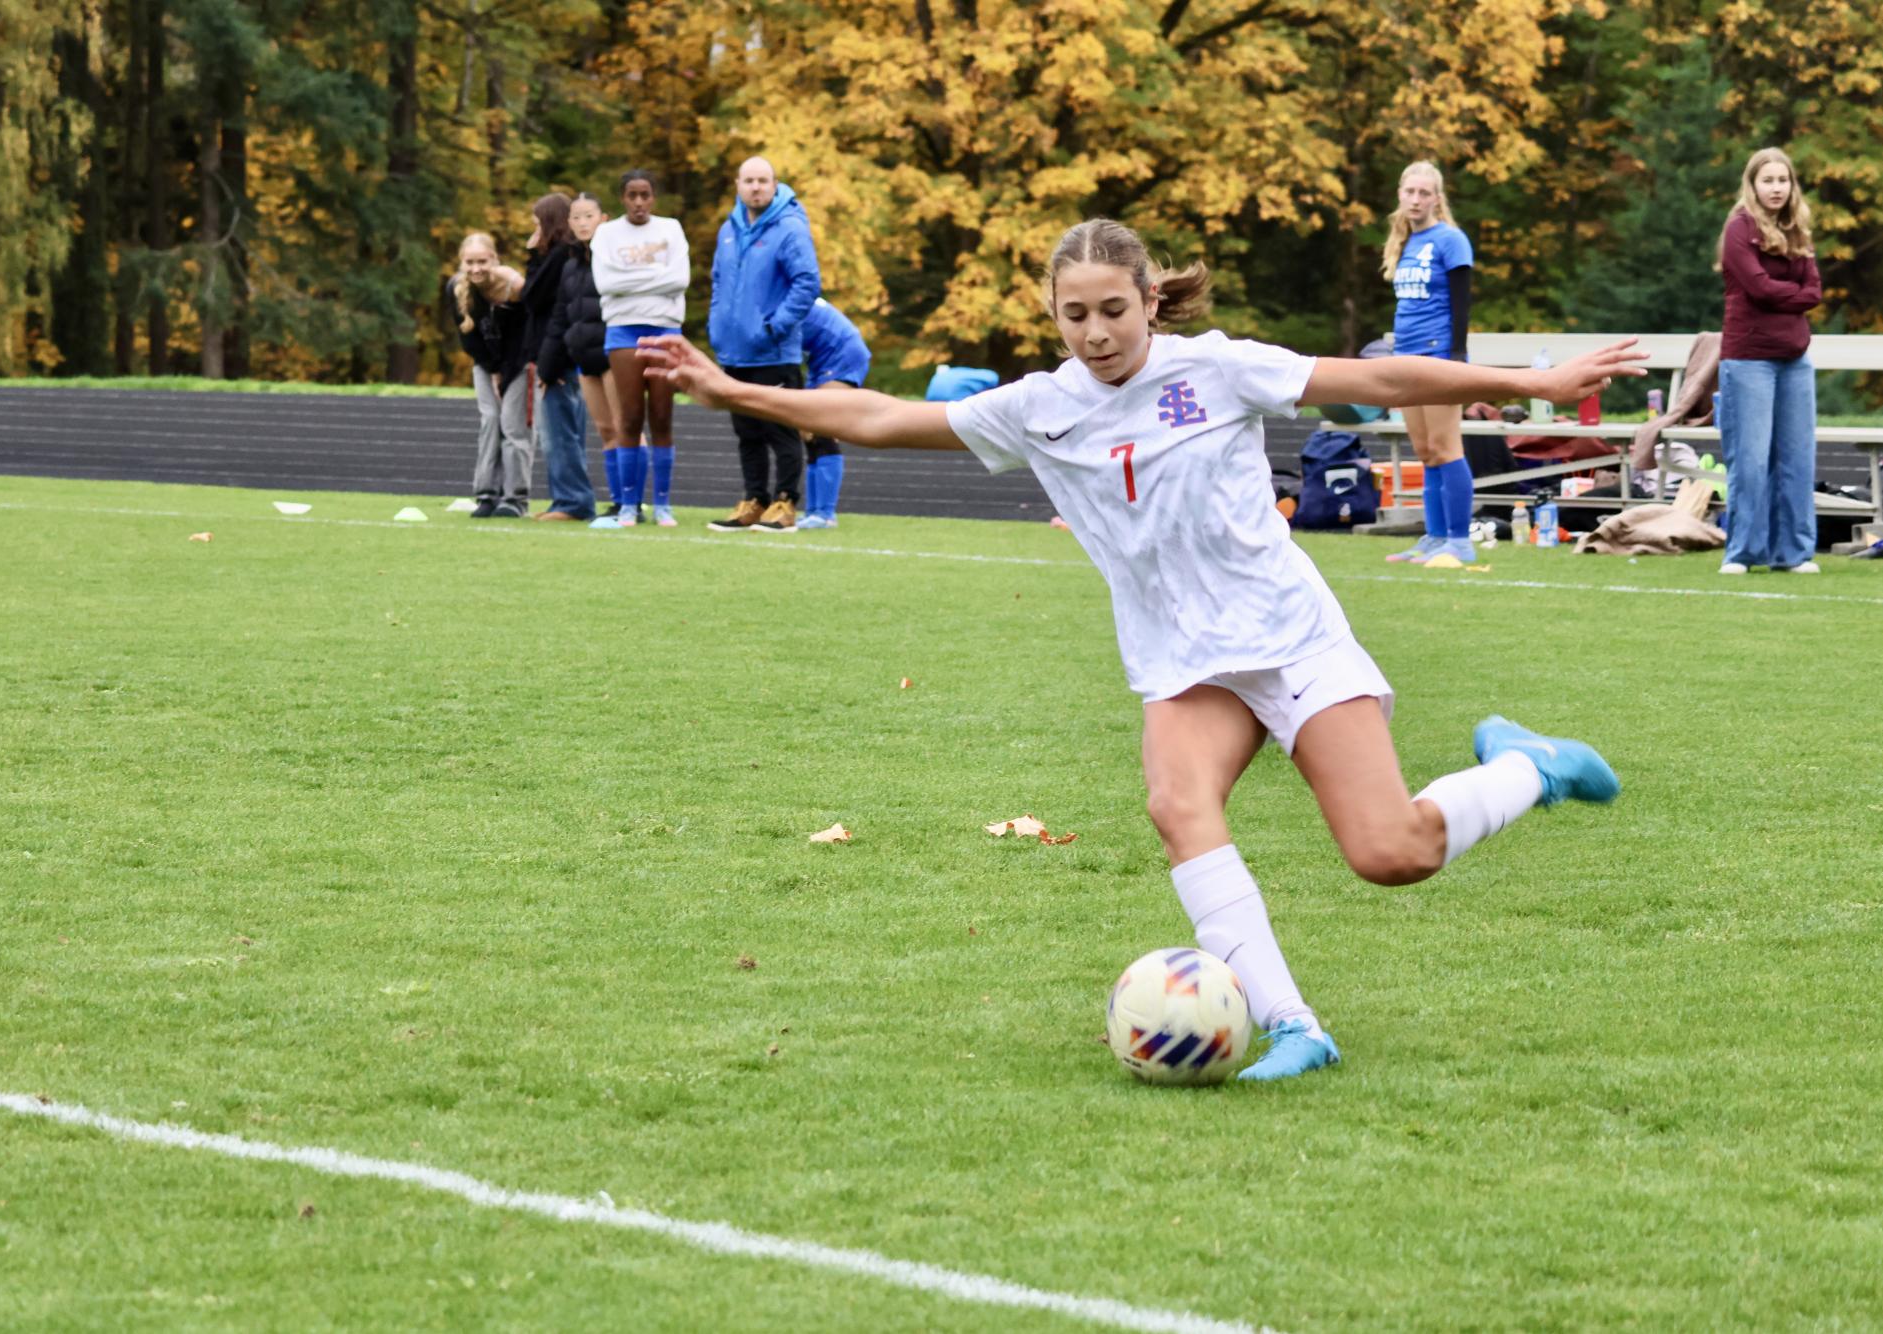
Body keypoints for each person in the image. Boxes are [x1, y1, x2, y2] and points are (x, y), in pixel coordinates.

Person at [638, 219, 1643, 1082]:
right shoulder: (1042, 407)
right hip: (1187, 666)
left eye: (1113, 309)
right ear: (1055, 316)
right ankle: (1293, 1024)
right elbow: (881, 414)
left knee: (1393, 853)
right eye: (1074, 315)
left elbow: (1377, 374)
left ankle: (1526, 764)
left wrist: (1533, 380)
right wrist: (734, 390)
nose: (1096, 332)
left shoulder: (1216, 366)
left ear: (1149, 299)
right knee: (1176, 803)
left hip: (1290, 641)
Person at [1714, 147, 1822, 575]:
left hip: (1795, 359)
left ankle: (1793, 554)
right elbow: (1757, 288)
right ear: (1753, 184)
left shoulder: (1798, 229)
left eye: (1783, 180)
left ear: (1791, 185)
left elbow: (1815, 291)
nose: (1776, 188)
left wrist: (1790, 296)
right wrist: (1794, 296)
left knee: (1797, 459)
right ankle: (1742, 553)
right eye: (1768, 180)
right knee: (1751, 460)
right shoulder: (1739, 228)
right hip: (1749, 360)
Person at [706, 156, 822, 533]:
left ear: (774, 185)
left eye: (763, 180)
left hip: (773, 350)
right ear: (738, 185)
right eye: (749, 180)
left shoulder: (789, 229)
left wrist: (775, 327)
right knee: (747, 433)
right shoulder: (728, 230)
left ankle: (784, 504)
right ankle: (754, 500)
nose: (755, 187)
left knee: (780, 430)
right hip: (735, 350)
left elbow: (807, 283)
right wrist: (717, 326)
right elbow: (719, 283)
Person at [1380, 162, 1477, 565]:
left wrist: (1456, 358)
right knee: (1424, 449)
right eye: (1410, 192)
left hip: (1439, 355)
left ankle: (1460, 541)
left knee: (1445, 446)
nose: (1416, 200)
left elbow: (1462, 300)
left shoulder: (1450, 239)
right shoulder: (1404, 242)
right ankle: (1435, 537)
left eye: (1424, 193)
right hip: (1406, 356)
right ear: (1400, 194)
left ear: (1437, 198)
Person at [592, 169, 689, 527]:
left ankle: (662, 503)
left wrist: (629, 282)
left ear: (654, 197)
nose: (638, 202)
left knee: (662, 415)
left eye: (645, 194)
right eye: (632, 195)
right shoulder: (606, 234)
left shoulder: (671, 229)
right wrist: (655, 281)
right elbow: (605, 283)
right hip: (623, 330)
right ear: (622, 198)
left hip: (664, 328)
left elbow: (680, 278)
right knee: (630, 417)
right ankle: (630, 505)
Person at [542, 193, 627, 522]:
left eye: (588, 216)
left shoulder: (616, 258)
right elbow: (561, 316)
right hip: (584, 357)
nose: (581, 223)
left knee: (626, 427)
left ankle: (632, 502)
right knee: (606, 429)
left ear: (603, 219)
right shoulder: (570, 265)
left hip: (614, 353)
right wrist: (549, 363)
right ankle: (617, 501)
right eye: (575, 217)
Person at [518, 192, 595, 522]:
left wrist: (532, 255)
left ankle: (572, 502)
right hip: (560, 357)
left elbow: (532, 297)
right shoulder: (565, 256)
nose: (533, 231)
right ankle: (564, 499)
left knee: (559, 436)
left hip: (558, 360)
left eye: (537, 224)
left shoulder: (559, 256)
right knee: (565, 434)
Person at [445, 232, 531, 518]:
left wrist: (505, 374)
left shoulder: (512, 286)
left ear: (494, 259)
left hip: (517, 363)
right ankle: (486, 494)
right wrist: (492, 370)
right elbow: (468, 340)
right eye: (470, 262)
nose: (476, 268)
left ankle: (515, 498)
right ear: (462, 263)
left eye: (482, 261)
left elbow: (523, 335)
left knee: (513, 426)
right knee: (490, 421)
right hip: (485, 363)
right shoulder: (456, 289)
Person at [794, 297, 871, 529]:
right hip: (822, 361)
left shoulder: (784, 298)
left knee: (822, 430)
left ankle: (826, 514)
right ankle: (814, 511)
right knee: (808, 433)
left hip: (843, 356)